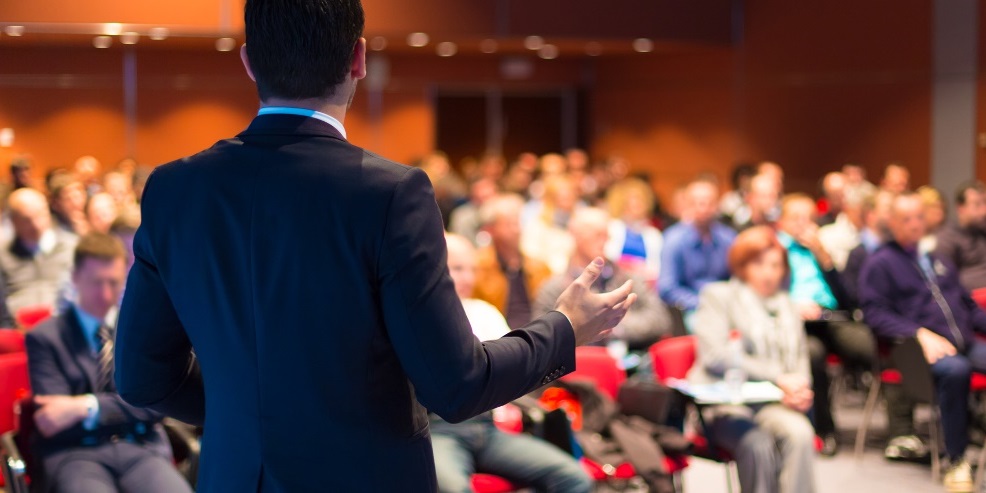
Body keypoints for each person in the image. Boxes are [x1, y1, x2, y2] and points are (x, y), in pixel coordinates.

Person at [113, 1, 635, 491]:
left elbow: (141, 379)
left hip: (233, 475)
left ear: (248, 62)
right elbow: (456, 385)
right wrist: (563, 328)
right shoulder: (389, 194)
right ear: (359, 57)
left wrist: (251, 410)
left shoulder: (174, 189)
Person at [25, 233, 192, 493]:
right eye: (95, 283)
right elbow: (52, 420)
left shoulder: (139, 331)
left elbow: (155, 407)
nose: (104, 294)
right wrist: (124, 407)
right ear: (75, 278)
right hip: (76, 454)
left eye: (113, 283)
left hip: (139, 447)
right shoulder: (44, 338)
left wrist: (85, 406)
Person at [432, 234, 592, 493]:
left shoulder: (484, 311)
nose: (469, 279)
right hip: (441, 430)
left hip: (486, 427)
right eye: (458, 269)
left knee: (574, 478)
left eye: (473, 269)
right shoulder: (421, 320)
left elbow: (517, 368)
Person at [860, 192, 986, 493]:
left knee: (967, 361)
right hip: (917, 352)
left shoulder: (935, 257)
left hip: (964, 341)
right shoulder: (880, 263)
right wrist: (918, 332)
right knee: (956, 372)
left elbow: (967, 306)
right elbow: (875, 314)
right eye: (907, 219)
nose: (916, 225)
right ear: (891, 222)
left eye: (920, 217)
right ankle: (955, 459)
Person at [689, 226, 816, 493]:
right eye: (759, 264)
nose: (768, 273)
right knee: (757, 443)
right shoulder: (719, 296)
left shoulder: (788, 305)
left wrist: (801, 389)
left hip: (773, 402)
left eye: (775, 265)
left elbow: (801, 358)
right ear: (742, 265)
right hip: (726, 402)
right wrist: (778, 377)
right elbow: (716, 356)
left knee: (800, 432)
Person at [775, 193, 874, 455]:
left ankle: (903, 428)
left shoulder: (819, 249)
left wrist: (824, 258)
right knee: (813, 354)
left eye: (808, 219)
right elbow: (768, 294)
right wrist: (793, 307)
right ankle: (823, 429)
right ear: (781, 222)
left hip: (830, 318)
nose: (802, 225)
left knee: (868, 346)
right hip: (794, 324)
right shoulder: (775, 250)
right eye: (795, 218)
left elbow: (847, 298)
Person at [536, 208, 670, 352]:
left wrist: (613, 325)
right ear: (575, 235)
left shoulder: (628, 278)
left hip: (632, 361)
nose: (605, 241)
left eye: (607, 235)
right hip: (580, 367)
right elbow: (544, 337)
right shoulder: (554, 288)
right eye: (597, 235)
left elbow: (660, 320)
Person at [472, 194, 553, 329]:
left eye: (518, 223)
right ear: (491, 230)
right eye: (509, 224)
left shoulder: (540, 267)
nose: (516, 229)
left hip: (536, 335)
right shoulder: (478, 266)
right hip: (497, 338)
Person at [659, 178, 736, 318]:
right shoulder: (673, 239)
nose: (704, 208)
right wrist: (701, 303)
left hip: (725, 306)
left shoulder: (728, 238)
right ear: (687, 205)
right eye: (697, 203)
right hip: (689, 309)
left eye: (710, 203)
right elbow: (667, 288)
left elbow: (738, 278)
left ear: (717, 205)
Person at [0, 188, 76, 318]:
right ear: (13, 221)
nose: (36, 225)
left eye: (39, 215)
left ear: (48, 212)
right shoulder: (4, 253)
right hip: (18, 326)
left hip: (61, 325)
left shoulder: (71, 246)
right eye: (26, 220)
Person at [604, 177, 663, 285]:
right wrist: (632, 265)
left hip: (644, 285)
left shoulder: (653, 234)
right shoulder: (612, 227)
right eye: (632, 200)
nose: (636, 204)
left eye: (640, 200)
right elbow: (608, 258)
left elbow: (656, 269)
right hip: (614, 282)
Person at [521, 174, 579, 274]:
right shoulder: (537, 225)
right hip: (547, 277)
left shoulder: (579, 221)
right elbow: (531, 255)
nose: (567, 203)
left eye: (570, 198)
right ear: (550, 200)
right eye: (563, 198)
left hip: (575, 275)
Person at [935, 181, 986, 292]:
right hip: (971, 302)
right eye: (977, 204)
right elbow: (944, 284)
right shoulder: (947, 238)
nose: (984, 210)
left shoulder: (983, 230)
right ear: (960, 208)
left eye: (985, 203)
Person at [818, 184, 866, 271]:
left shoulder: (875, 234)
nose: (868, 215)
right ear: (848, 207)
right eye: (863, 211)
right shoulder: (826, 234)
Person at [448, 177, 498, 245]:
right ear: (472, 197)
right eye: (479, 198)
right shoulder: (461, 216)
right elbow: (459, 243)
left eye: (487, 197)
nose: (485, 203)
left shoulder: (506, 212)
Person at [48, 173, 90, 237]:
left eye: (78, 196)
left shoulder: (92, 218)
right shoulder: (52, 229)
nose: (76, 203)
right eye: (68, 199)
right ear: (56, 205)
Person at [918, 185, 946, 253]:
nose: (940, 212)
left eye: (941, 207)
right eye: (935, 207)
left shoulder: (948, 236)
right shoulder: (910, 239)